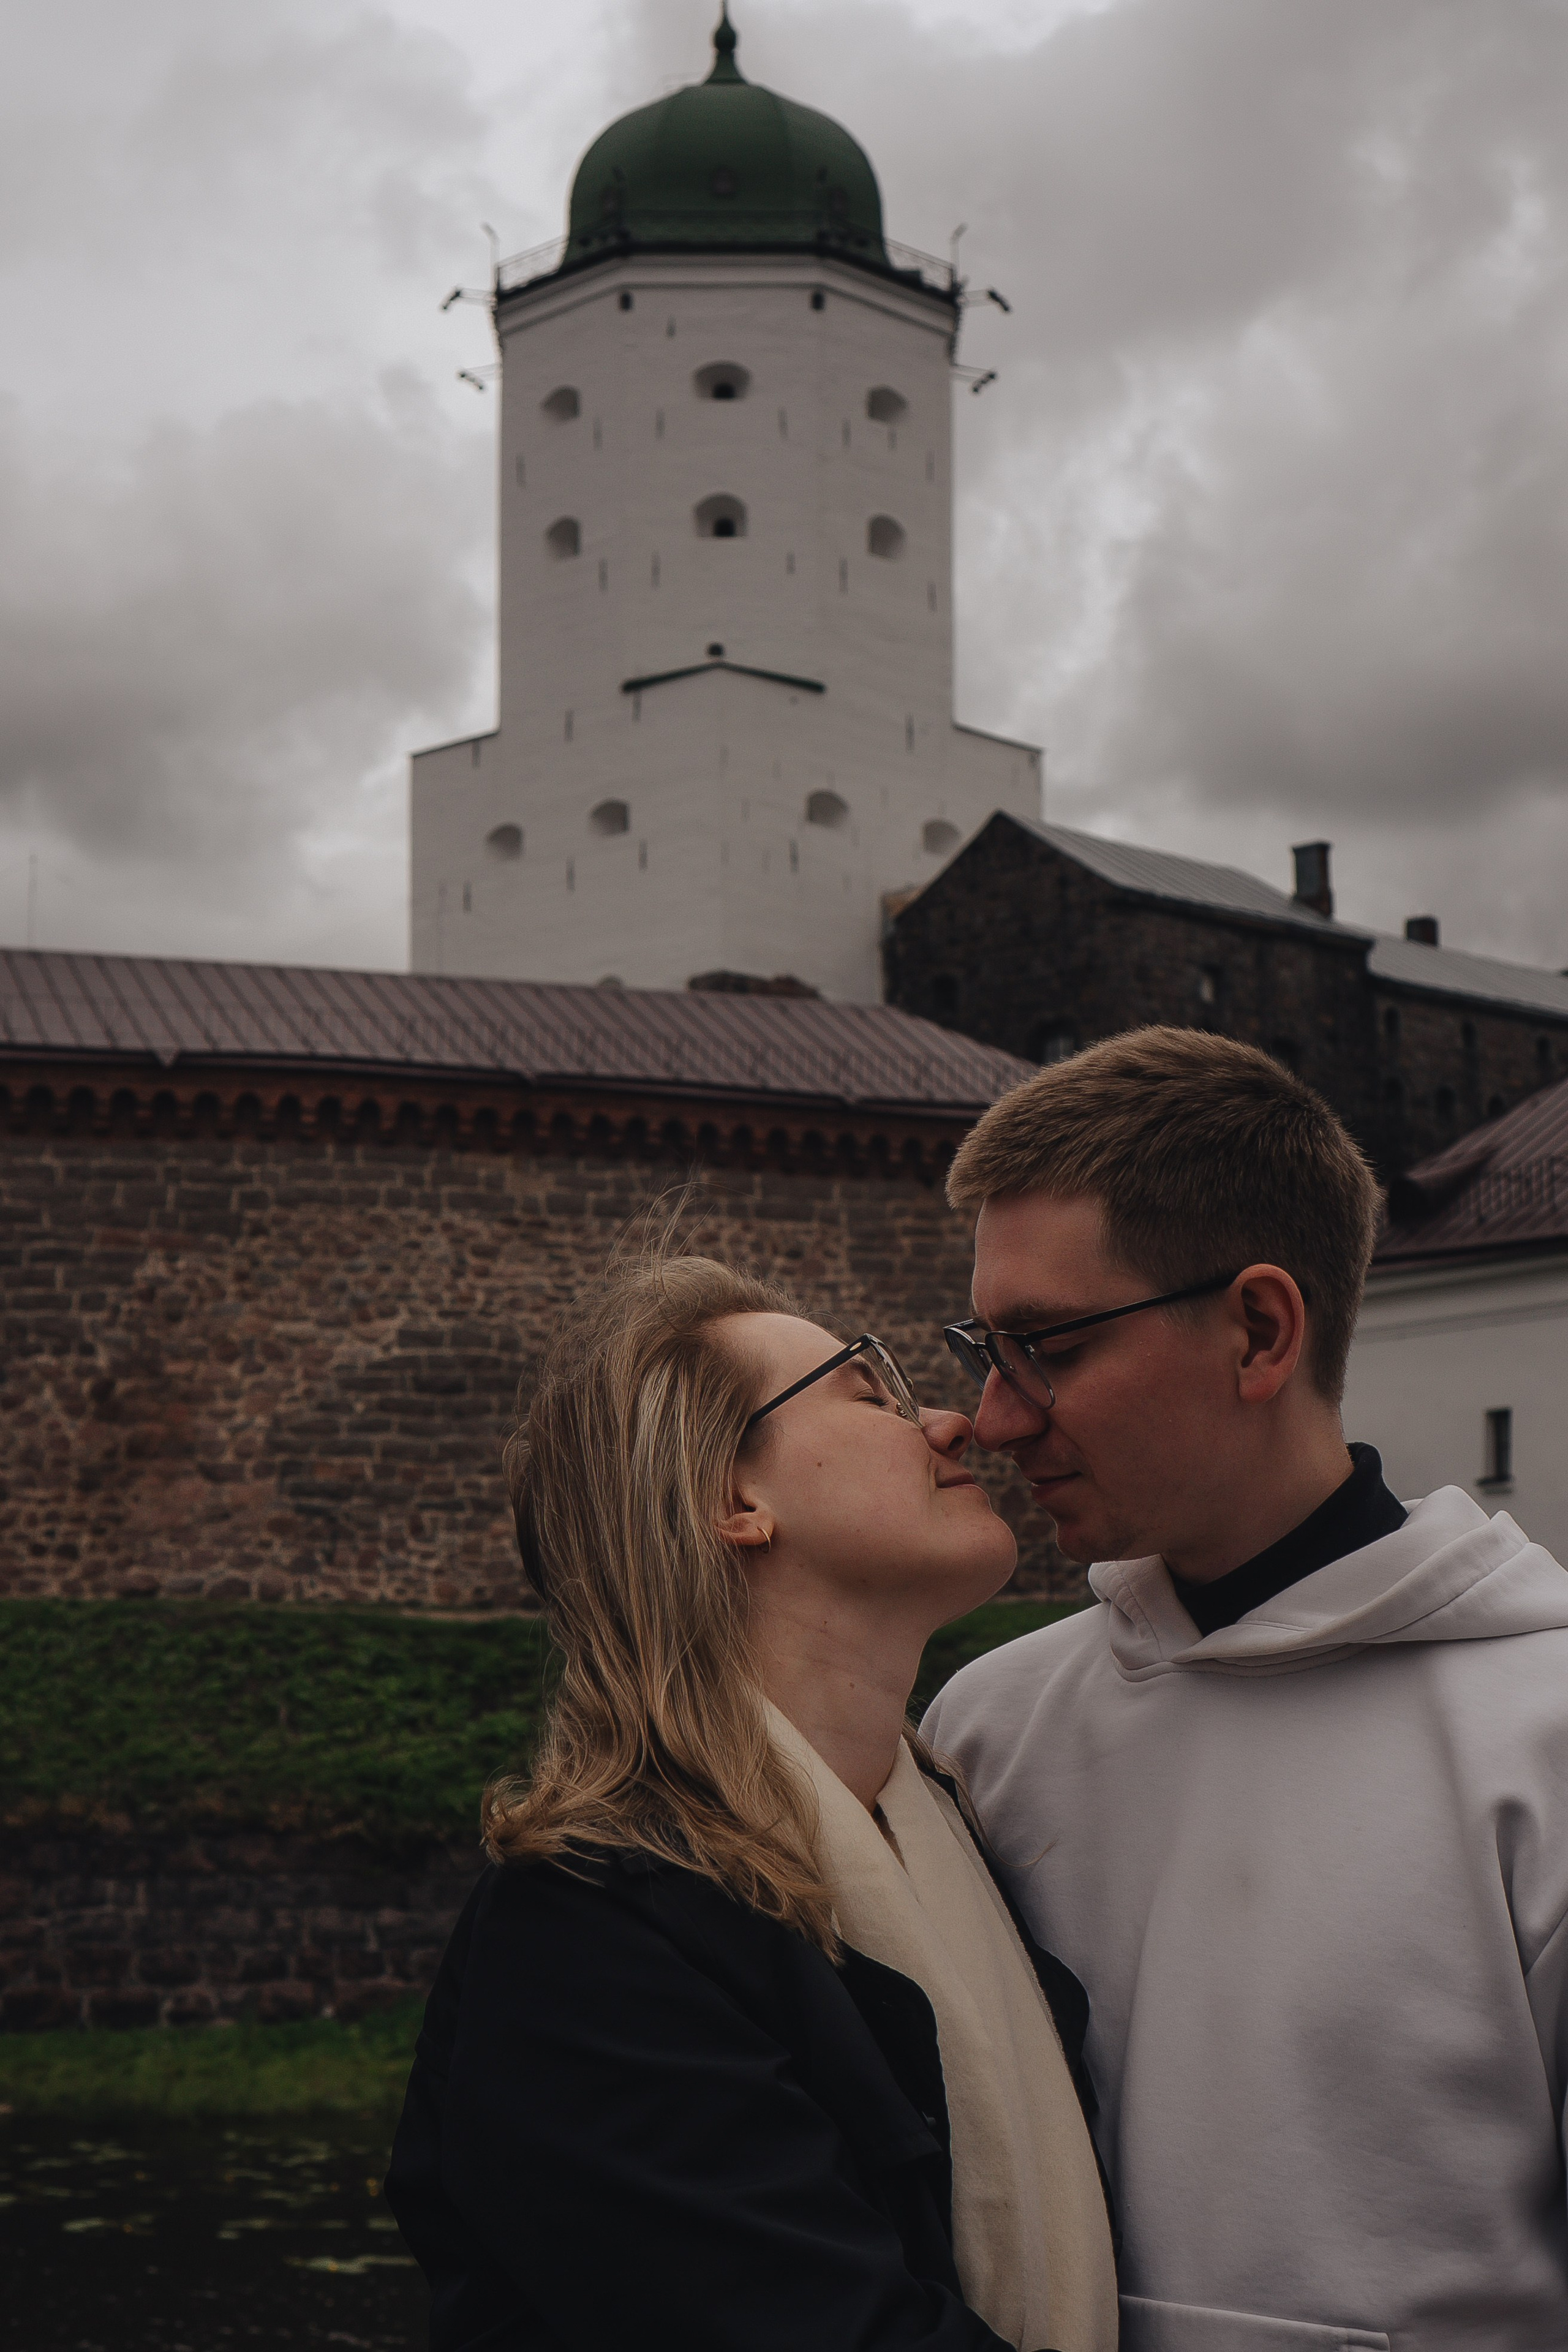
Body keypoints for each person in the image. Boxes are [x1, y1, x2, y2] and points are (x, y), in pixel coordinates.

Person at [922, 1025, 1568, 2352]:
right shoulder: (985, 1732)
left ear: (1258, 1331)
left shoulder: (1542, 1737)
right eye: (979, 1350)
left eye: (1045, 1346)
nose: (991, 1417)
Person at [385, 1253, 1118, 2352]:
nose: (957, 1427)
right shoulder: (590, 1931)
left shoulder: (951, 1829)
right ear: (731, 1500)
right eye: (872, 1392)